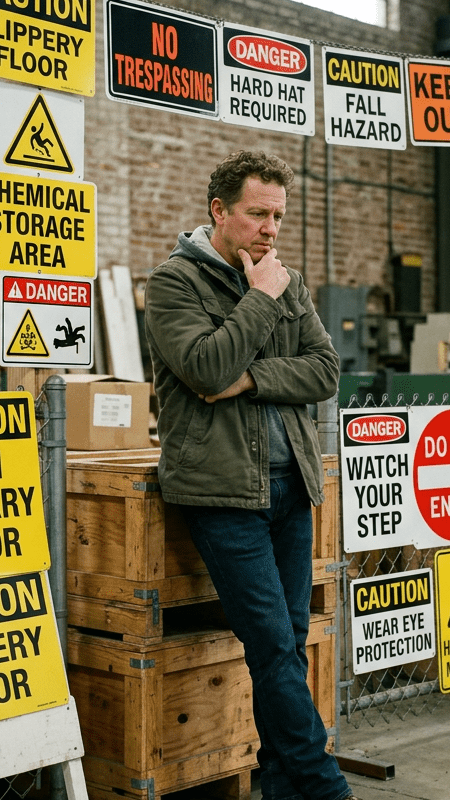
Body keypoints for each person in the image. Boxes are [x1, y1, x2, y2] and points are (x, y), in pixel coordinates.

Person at [144, 151, 357, 800]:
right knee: (269, 643)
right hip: (222, 496)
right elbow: (206, 369)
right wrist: (260, 300)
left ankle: (283, 789)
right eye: (258, 215)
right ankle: (325, 787)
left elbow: (324, 371)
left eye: (278, 217)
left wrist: (254, 376)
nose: (271, 230)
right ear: (220, 211)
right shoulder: (175, 283)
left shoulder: (283, 279)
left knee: (285, 647)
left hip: (290, 488)